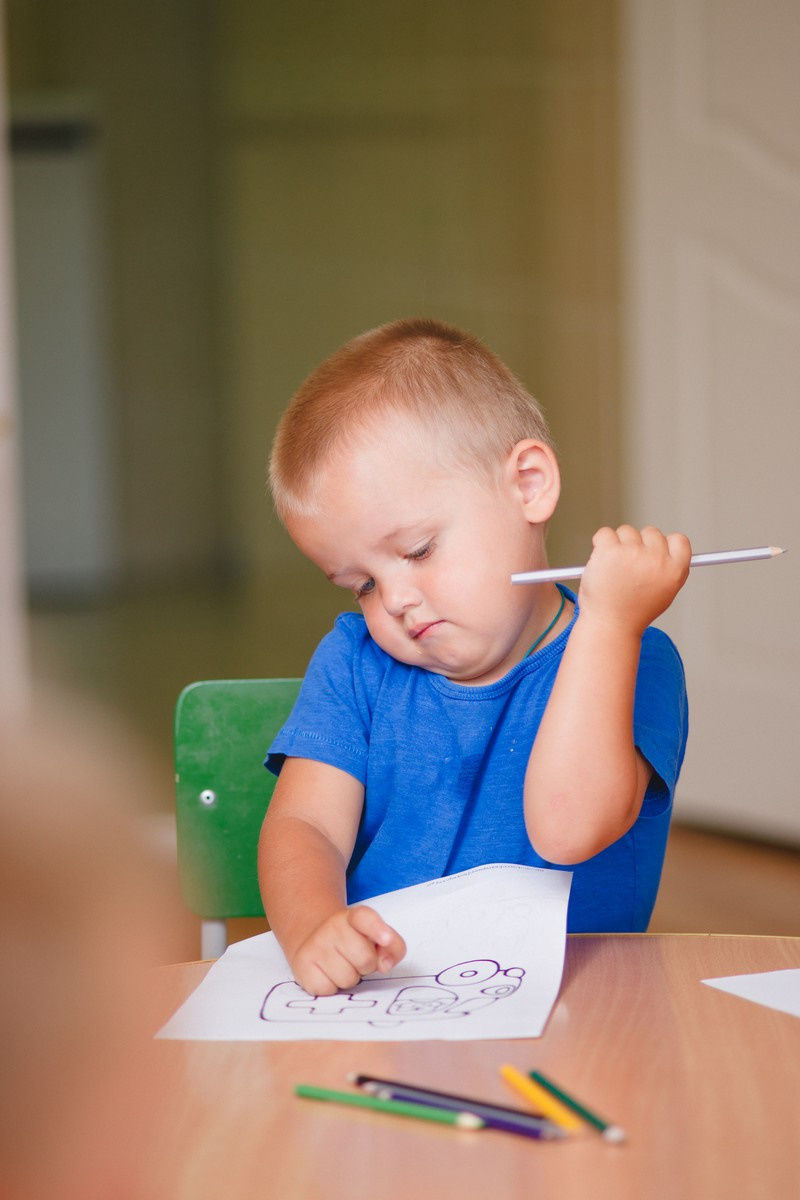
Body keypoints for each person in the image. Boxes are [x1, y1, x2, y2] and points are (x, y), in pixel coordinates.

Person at [258, 317, 690, 997]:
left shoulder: (635, 655)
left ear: (528, 486)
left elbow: (568, 828)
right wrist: (314, 924)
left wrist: (609, 623)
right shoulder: (354, 661)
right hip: (392, 998)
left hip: (583, 1007)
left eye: (419, 550)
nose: (394, 600)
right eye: (363, 583)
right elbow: (305, 825)